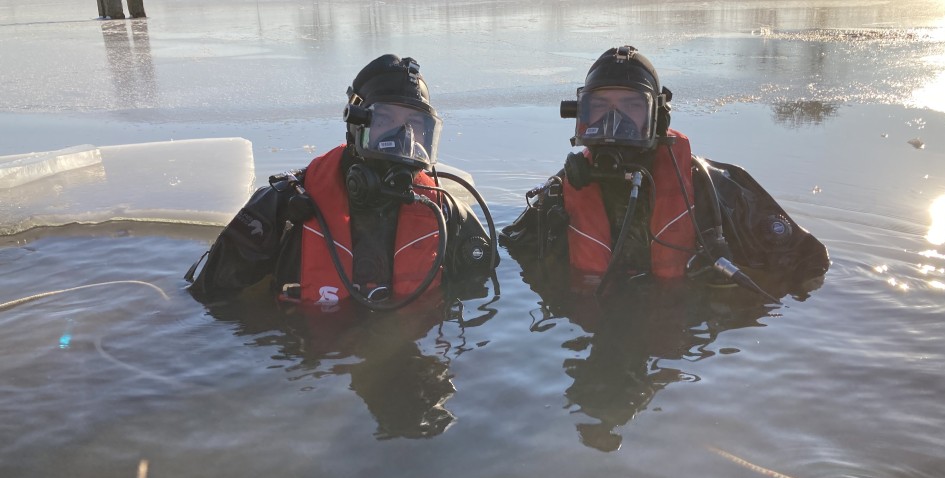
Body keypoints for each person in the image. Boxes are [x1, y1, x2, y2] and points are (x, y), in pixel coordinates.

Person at [501, 45, 829, 300]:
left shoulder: (707, 186)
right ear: (581, 115)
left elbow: (809, 261)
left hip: (678, 327)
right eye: (600, 109)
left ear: (657, 120)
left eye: (631, 108)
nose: (614, 124)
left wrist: (734, 306)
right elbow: (507, 255)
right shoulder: (564, 192)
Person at [187, 54, 497, 311]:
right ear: (355, 124)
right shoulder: (284, 206)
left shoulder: (444, 213)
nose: (402, 140)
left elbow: (484, 291)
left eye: (415, 126)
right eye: (386, 121)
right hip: (310, 371)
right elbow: (209, 299)